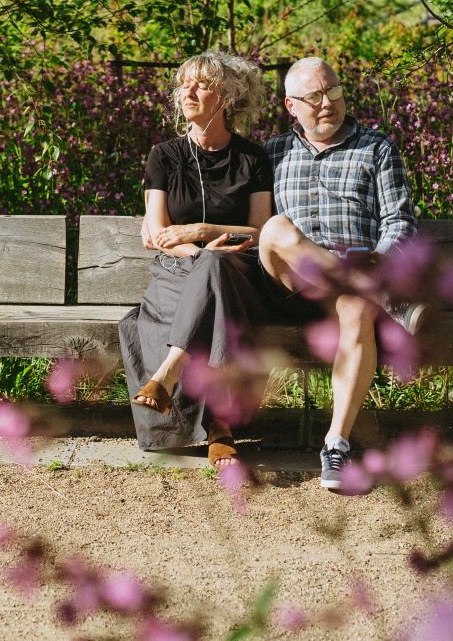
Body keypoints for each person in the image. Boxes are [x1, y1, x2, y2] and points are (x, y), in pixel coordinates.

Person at [257, 57, 423, 490]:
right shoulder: (271, 152)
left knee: (354, 303)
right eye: (314, 97)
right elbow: (251, 222)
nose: (327, 103)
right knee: (277, 228)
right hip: (289, 282)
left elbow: (400, 223)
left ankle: (337, 444)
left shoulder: (377, 147)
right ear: (292, 105)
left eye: (333, 91)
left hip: (353, 280)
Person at [118, 50, 273, 469]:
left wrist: (202, 233)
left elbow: (260, 232)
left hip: (238, 272)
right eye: (184, 83)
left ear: (227, 96)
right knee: (210, 266)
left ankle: (167, 374)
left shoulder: (253, 159)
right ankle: (220, 425)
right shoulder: (163, 156)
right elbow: (158, 234)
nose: (188, 91)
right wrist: (200, 251)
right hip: (176, 272)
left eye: (201, 84)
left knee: (218, 265)